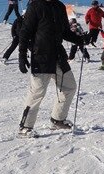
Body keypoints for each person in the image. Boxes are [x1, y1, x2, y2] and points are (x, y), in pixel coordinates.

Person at [17, 0, 84, 138]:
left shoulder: (59, 6)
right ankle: (25, 127)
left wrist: (80, 39)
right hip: (41, 55)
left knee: (69, 86)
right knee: (37, 92)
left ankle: (57, 120)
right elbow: (25, 31)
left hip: (58, 55)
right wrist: (22, 55)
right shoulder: (36, 6)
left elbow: (65, 31)